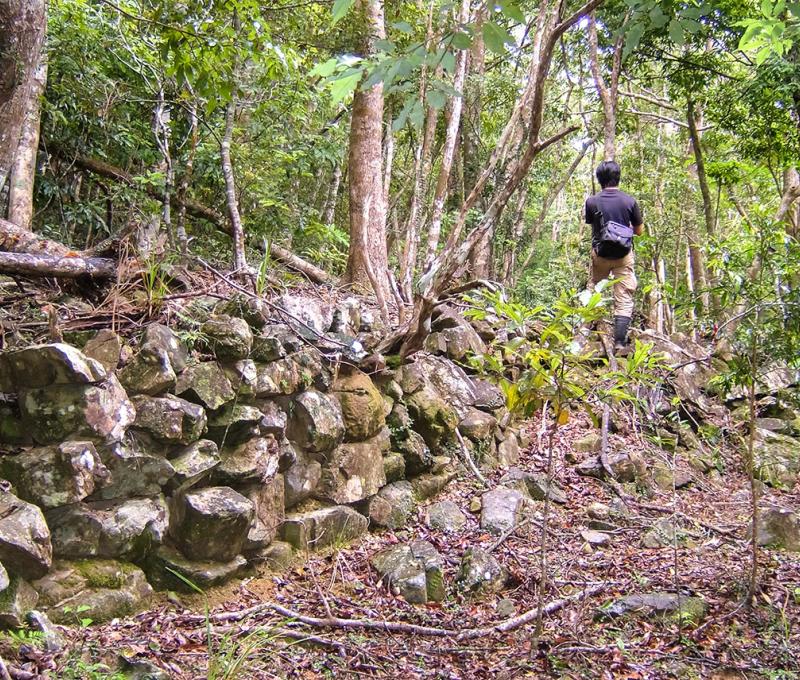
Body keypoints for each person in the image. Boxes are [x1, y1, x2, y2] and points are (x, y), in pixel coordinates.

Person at [585, 160, 644, 352]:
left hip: (600, 254)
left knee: (594, 290)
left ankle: (590, 333)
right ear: (618, 177)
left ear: (599, 179)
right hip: (623, 254)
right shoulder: (629, 201)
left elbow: (592, 225)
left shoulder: (591, 201)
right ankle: (619, 342)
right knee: (624, 296)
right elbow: (639, 231)